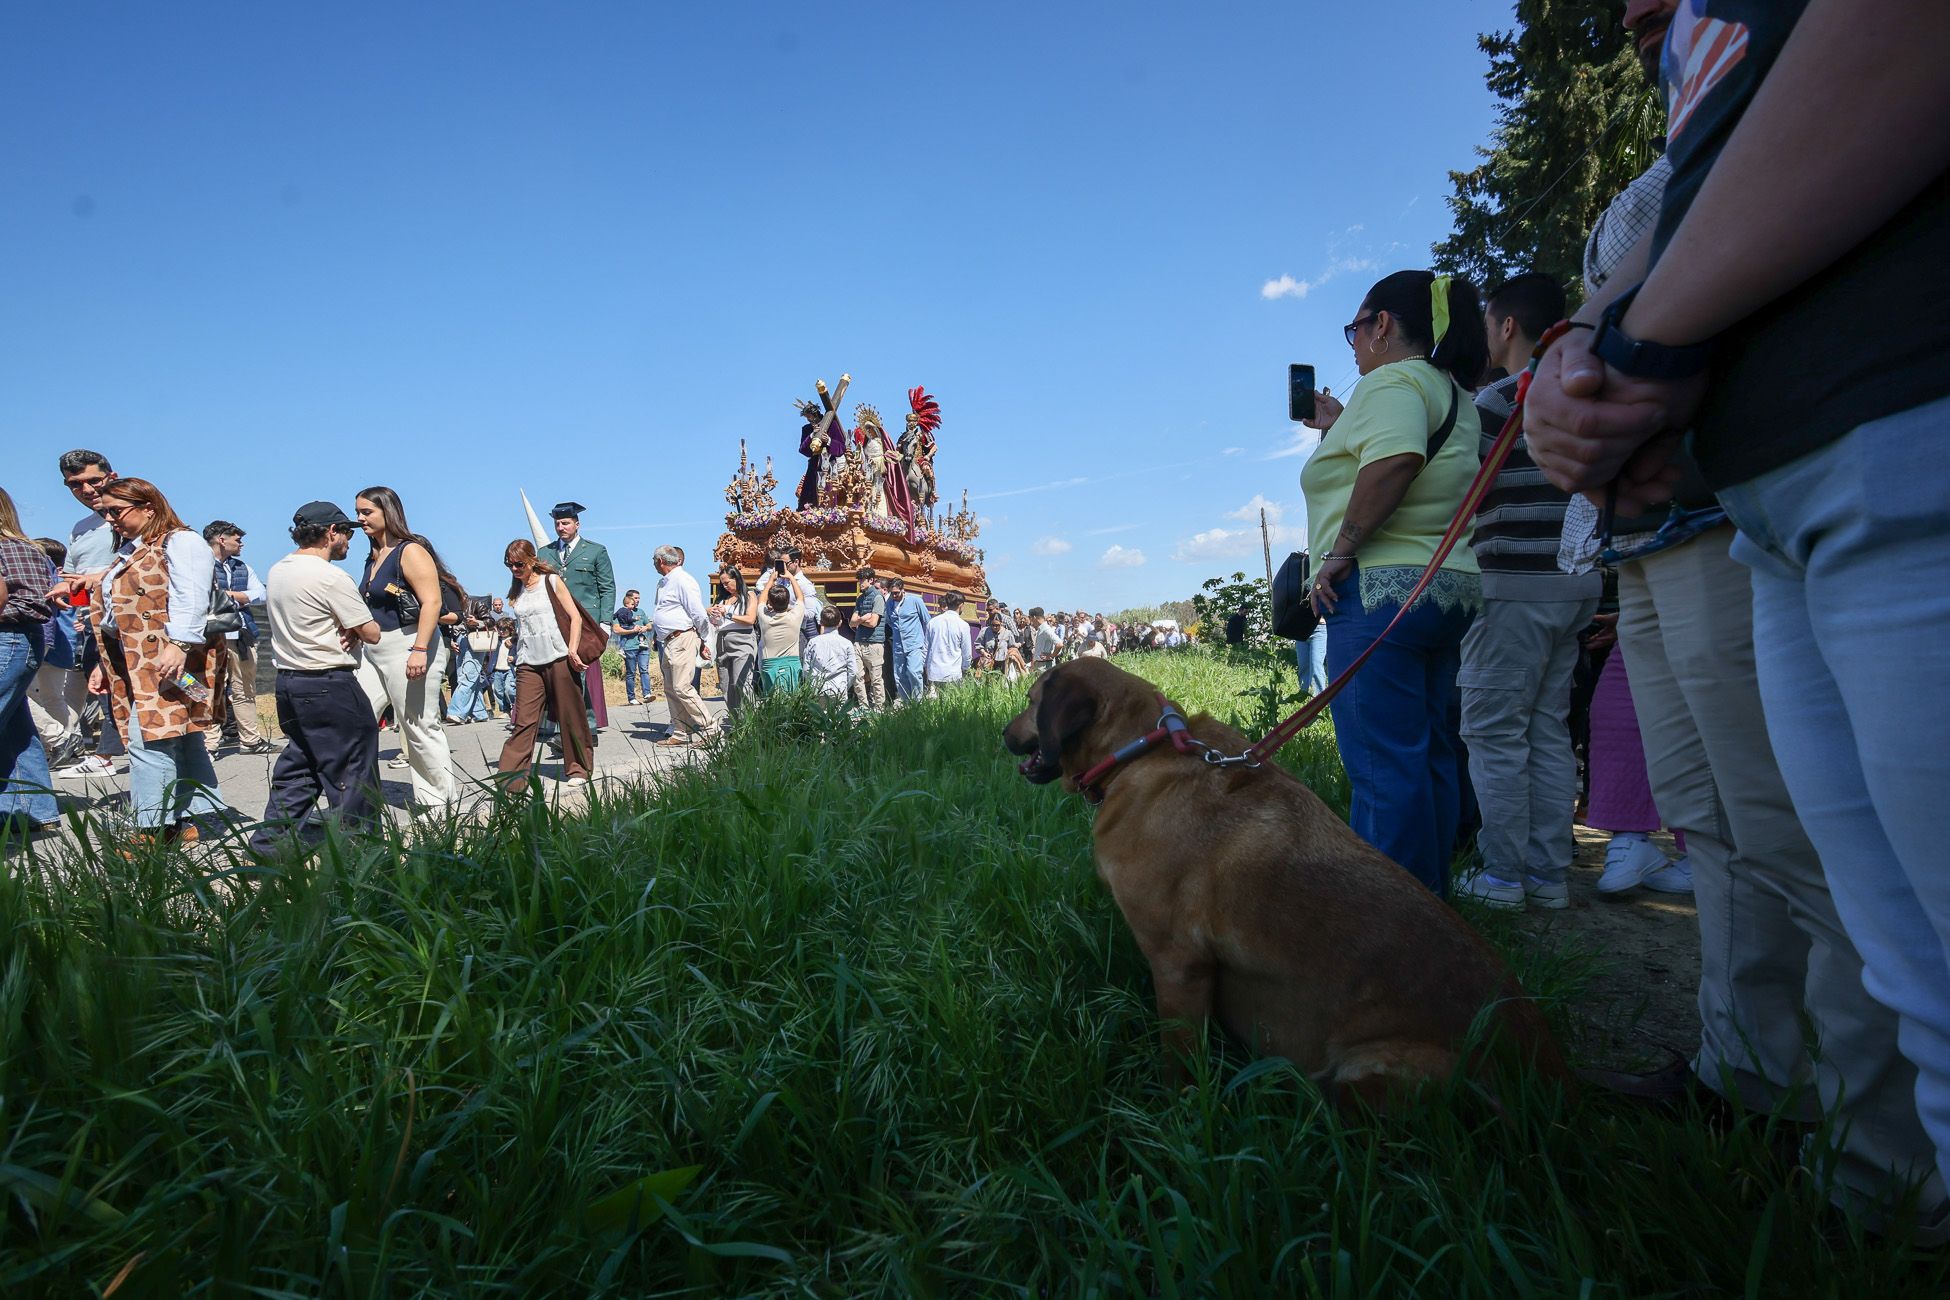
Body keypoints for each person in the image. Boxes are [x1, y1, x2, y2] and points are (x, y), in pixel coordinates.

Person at [1524, 0, 1949, 1236]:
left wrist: (1641, 354)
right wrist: (1590, 354)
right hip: (1749, 492)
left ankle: (1877, 1163)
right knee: (1744, 833)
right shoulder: (1694, 92)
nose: (1628, 11)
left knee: (1824, 865)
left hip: (1859, 447)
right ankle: (1765, 1087)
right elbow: (1687, 229)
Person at [1300, 270, 1487, 895]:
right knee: (1428, 752)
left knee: (1383, 766)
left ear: (1382, 324)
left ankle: (1386, 922)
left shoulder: (1392, 381)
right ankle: (1430, 904)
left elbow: (1397, 459)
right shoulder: (1449, 391)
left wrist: (1340, 551)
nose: (1353, 343)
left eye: (1354, 328)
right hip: (1445, 589)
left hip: (1381, 592)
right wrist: (1339, 426)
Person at [1454, 274, 1604, 909]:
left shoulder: (1498, 403)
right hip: (1575, 583)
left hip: (1513, 585)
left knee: (1494, 733)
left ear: (1507, 325)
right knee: (1546, 726)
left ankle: (1503, 876)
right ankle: (1547, 873)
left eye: (1490, 324)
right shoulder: (1580, 389)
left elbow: (1458, 489)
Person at [89, 477, 231, 844]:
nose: (110, 519)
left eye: (116, 511)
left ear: (148, 508)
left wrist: (179, 645)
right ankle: (194, 816)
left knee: (150, 740)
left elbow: (192, 596)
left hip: (174, 659)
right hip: (142, 661)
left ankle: (154, 828)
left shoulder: (181, 542)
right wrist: (105, 664)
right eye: (106, 513)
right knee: (181, 736)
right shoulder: (136, 548)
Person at [247, 502, 383, 854]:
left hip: (289, 682)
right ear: (331, 532)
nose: (349, 540)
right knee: (353, 769)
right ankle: (360, 852)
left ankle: (269, 848)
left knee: (299, 768)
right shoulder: (331, 576)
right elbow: (371, 632)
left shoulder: (279, 570)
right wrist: (354, 627)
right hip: (329, 681)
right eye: (347, 533)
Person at [352, 486, 457, 809]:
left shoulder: (409, 551)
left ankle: (438, 802)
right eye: (358, 512)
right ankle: (355, 799)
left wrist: (420, 649)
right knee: (355, 718)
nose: (360, 519)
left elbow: (432, 602)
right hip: (374, 649)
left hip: (409, 643)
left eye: (367, 512)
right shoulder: (373, 556)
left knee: (419, 725)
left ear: (388, 511)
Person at [494, 540, 594, 793]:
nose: (514, 569)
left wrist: (572, 650)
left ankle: (579, 768)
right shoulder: (517, 590)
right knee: (524, 721)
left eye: (519, 564)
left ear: (532, 560)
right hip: (528, 662)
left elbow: (575, 617)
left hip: (558, 657)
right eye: (509, 565)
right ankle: (511, 780)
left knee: (570, 715)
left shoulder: (551, 581)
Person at [50, 450, 123, 774]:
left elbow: (146, 560)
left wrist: (97, 578)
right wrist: (64, 589)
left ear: (111, 476)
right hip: (94, 622)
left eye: (94, 480)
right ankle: (106, 755)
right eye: (75, 484)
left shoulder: (136, 512)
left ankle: (200, 742)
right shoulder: (80, 528)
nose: (86, 489)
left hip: (138, 623)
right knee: (105, 689)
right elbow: (72, 575)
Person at [0, 489, 61, 836]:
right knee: (15, 728)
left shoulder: (13, 548)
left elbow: (33, 604)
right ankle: (32, 811)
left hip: (10, 638)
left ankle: (29, 810)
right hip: (13, 641)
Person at [202, 519, 274, 754]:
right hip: (210, 637)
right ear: (222, 540)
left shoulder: (242, 567)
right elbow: (204, 595)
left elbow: (261, 594)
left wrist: (229, 595)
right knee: (210, 690)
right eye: (237, 538)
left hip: (242, 635)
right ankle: (209, 744)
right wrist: (242, 596)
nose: (241, 543)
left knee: (245, 689)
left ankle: (250, 740)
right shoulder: (200, 565)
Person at [548, 502, 615, 735]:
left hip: (587, 621)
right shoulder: (544, 553)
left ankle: (582, 728)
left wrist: (605, 623)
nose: (561, 527)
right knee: (561, 674)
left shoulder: (596, 551)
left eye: (565, 523)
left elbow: (607, 588)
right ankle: (576, 727)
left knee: (580, 671)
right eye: (557, 523)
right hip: (555, 621)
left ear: (577, 524)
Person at [25, 537, 88, 771]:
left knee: (23, 694)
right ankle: (68, 744)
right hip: (58, 643)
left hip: (47, 639)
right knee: (52, 697)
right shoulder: (61, 580)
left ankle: (61, 740)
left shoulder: (57, 581)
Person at [650, 544, 715, 745]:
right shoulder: (664, 582)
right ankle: (680, 731)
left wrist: (705, 639)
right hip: (668, 641)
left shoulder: (683, 580)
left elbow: (698, 613)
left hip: (682, 638)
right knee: (671, 688)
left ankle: (711, 728)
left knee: (682, 687)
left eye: (654, 560)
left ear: (660, 561)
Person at [710, 566, 759, 718]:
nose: (725, 586)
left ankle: (750, 721)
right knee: (726, 685)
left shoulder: (749, 595)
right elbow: (715, 622)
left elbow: (750, 619)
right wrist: (712, 613)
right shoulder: (722, 599)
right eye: (722, 584)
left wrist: (728, 613)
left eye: (727, 582)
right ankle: (737, 721)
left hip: (742, 641)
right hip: (722, 641)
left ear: (736, 578)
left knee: (742, 682)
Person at [754, 569, 804, 694]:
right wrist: (791, 578)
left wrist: (771, 580)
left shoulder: (765, 619)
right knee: (793, 700)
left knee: (771, 702)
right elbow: (800, 598)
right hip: (792, 662)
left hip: (770, 664)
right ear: (788, 601)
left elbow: (761, 601)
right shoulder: (795, 617)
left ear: (770, 603)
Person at [846, 565, 888, 710]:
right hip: (859, 642)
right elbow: (852, 622)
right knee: (857, 676)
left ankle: (879, 707)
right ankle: (863, 706)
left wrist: (860, 620)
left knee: (876, 679)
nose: (860, 583)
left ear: (870, 580)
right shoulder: (860, 598)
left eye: (862, 580)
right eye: (859, 580)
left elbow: (873, 623)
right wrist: (863, 618)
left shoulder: (878, 597)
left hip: (874, 643)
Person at [445, 614, 499, 725]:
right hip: (459, 639)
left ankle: (457, 712)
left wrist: (477, 622)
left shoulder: (475, 605)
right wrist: (450, 640)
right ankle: (479, 713)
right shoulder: (452, 607)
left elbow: (491, 621)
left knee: (468, 677)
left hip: (476, 639)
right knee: (470, 678)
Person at [883, 577, 930, 701]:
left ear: (903, 590)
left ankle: (918, 701)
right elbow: (889, 620)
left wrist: (927, 641)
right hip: (898, 645)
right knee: (899, 675)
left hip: (914, 643)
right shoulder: (889, 603)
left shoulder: (915, 600)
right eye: (892, 593)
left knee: (914, 672)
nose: (894, 596)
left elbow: (927, 620)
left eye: (896, 593)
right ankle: (907, 703)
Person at [922, 592, 972, 695]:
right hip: (953, 673)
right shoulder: (963, 625)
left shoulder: (932, 622)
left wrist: (924, 667)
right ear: (961, 605)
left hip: (934, 672)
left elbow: (925, 648)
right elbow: (967, 653)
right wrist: (965, 669)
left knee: (934, 702)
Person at [805, 606, 857, 699]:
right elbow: (853, 671)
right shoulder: (847, 643)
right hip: (839, 688)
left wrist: (811, 685)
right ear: (840, 623)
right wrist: (845, 686)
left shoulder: (813, 642)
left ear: (821, 623)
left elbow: (806, 669)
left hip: (817, 689)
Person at [613, 589, 654, 705]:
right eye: (635, 598)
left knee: (644, 670)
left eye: (639, 598)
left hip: (643, 646)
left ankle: (647, 694)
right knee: (631, 672)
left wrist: (645, 628)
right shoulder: (620, 613)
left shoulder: (641, 611)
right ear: (628, 599)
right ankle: (631, 698)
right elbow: (616, 630)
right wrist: (632, 630)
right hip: (629, 647)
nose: (638, 600)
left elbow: (649, 625)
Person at [489, 617, 518, 718]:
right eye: (499, 629)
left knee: (509, 689)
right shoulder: (496, 640)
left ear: (510, 629)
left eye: (504, 629)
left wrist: (514, 658)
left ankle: (515, 707)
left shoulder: (515, 641)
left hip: (509, 669)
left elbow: (521, 653)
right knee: (498, 691)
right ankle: (505, 710)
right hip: (497, 669)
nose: (501, 632)